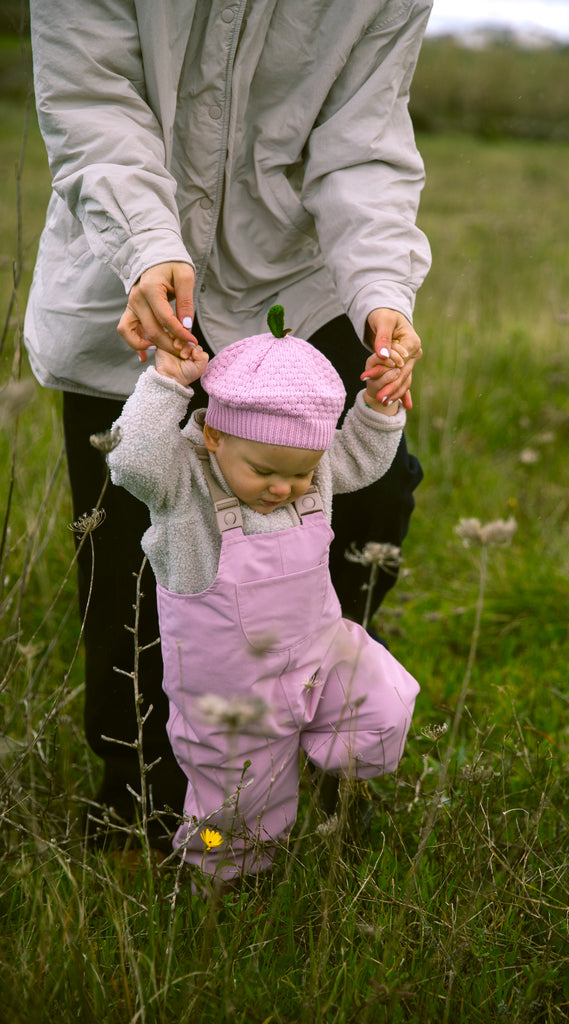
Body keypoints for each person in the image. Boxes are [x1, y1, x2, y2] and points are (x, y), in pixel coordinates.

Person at [25, 0, 432, 850]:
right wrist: (144, 243)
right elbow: (92, 99)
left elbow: (364, 141)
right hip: (130, 272)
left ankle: (309, 727)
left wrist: (382, 293)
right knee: (129, 536)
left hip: (295, 275)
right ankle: (140, 795)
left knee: (371, 494)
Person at [105, 308, 420, 885]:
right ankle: (221, 888)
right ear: (214, 434)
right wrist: (168, 383)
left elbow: (357, 457)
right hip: (231, 695)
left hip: (317, 657)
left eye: (302, 473)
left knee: (384, 709)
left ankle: (310, 755)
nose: (285, 488)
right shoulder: (184, 486)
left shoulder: (313, 471)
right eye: (265, 471)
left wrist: (378, 406)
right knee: (237, 814)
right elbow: (131, 460)